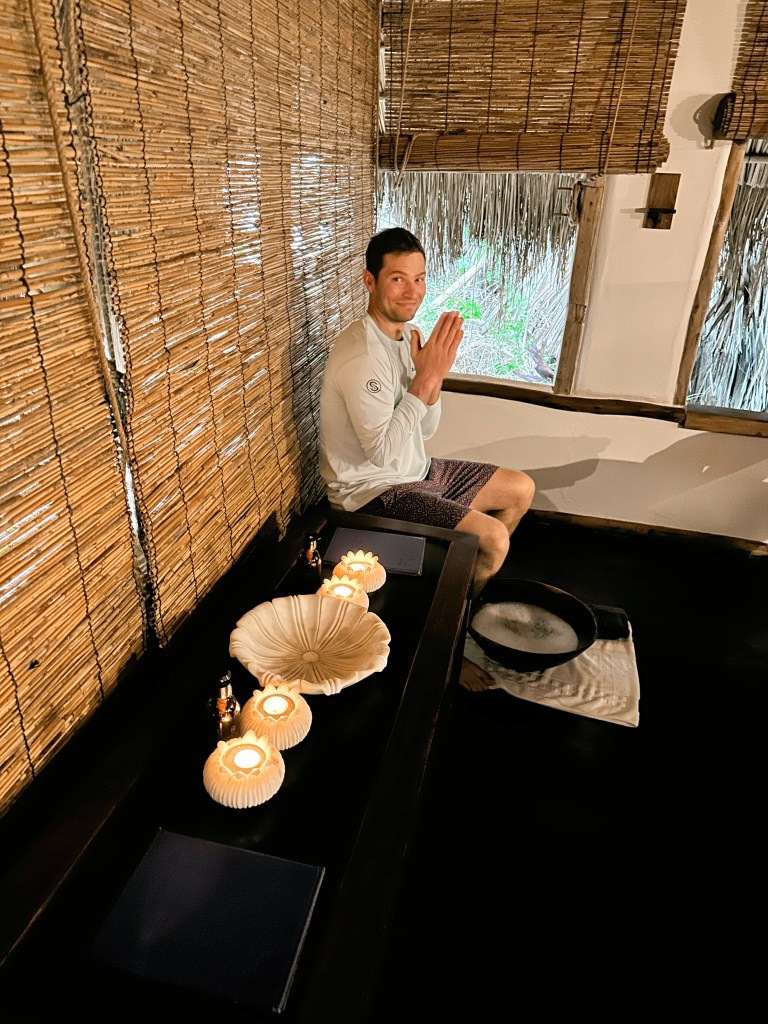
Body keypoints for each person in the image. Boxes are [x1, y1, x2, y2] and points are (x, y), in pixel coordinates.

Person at [318, 226, 535, 603]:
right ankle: (454, 617)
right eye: (397, 279)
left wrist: (433, 381)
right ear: (370, 281)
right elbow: (381, 454)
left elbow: (427, 429)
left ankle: (458, 586)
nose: (412, 291)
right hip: (373, 493)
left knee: (520, 488)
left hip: (417, 473)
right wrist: (424, 381)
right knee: (494, 539)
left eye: (418, 279)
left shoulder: (408, 336)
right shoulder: (362, 356)